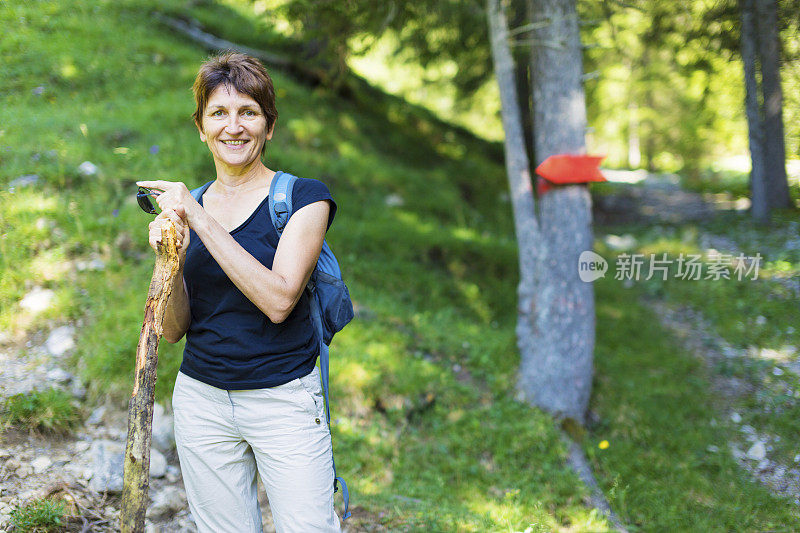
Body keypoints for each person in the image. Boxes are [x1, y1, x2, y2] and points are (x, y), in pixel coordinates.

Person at [137, 51, 342, 533]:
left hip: (283, 400)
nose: (234, 126)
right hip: (201, 400)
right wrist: (168, 256)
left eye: (248, 112)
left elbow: (278, 300)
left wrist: (198, 218)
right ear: (201, 127)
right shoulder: (188, 210)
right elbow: (172, 330)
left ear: (269, 126)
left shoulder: (304, 200)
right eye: (219, 114)